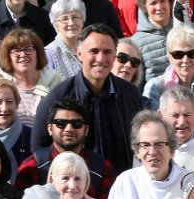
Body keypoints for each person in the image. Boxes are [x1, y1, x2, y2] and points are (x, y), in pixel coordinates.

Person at [33, 23, 144, 170]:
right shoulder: (58, 97)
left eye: (107, 52)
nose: (100, 59)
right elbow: (39, 149)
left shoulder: (130, 94)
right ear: (79, 54)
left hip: (122, 186)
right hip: (76, 187)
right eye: (94, 51)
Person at [106, 111, 188, 199]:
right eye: (145, 145)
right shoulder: (125, 183)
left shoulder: (188, 182)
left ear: (172, 150)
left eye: (159, 144)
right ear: (137, 152)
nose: (152, 152)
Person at [16, 100, 117, 199]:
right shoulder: (33, 166)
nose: (69, 129)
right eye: (61, 123)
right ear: (50, 129)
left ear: (86, 130)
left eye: (76, 123)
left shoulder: (102, 168)